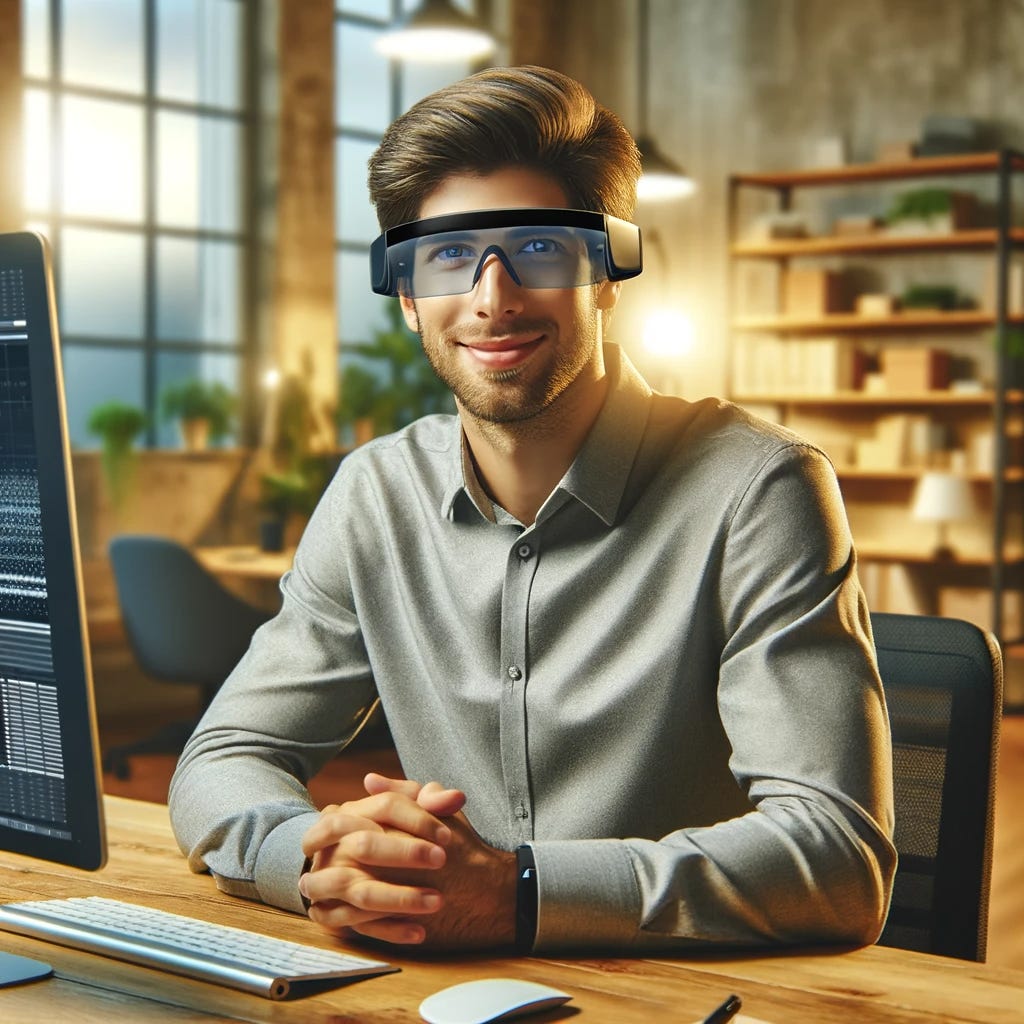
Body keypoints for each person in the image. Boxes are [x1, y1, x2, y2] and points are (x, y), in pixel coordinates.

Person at [169, 65, 896, 955]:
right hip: (433, 992)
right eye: (447, 256)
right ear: (406, 295)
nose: (492, 296)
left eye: (539, 250)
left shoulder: (759, 490)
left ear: (606, 272)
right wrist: (318, 863)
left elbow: (835, 854)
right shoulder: (375, 492)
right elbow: (222, 758)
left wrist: (518, 893)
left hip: (675, 1001)